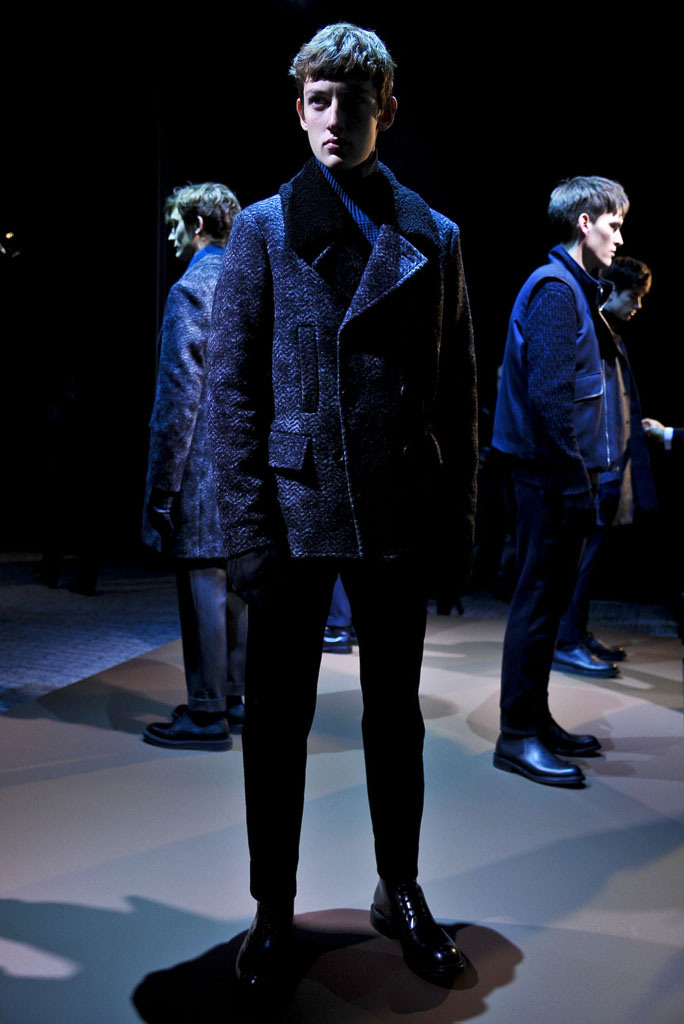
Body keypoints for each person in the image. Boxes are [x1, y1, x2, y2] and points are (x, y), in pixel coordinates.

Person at [206, 22, 477, 988]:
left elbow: (458, 394)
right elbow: (231, 391)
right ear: (298, 108)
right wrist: (248, 532)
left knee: (395, 716)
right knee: (276, 721)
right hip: (294, 509)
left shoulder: (434, 234)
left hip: (397, 506)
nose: (333, 118)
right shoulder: (263, 229)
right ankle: (272, 906)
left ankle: (397, 887)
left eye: (352, 101)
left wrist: (457, 526)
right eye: (317, 100)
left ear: (386, 111)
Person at [492, 175, 629, 787]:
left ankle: (534, 721)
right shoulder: (555, 289)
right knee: (537, 602)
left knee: (547, 605)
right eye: (614, 224)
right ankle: (516, 735)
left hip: (556, 475)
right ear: (584, 221)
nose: (619, 238)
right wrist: (574, 480)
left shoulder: (571, 288)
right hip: (547, 477)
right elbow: (550, 400)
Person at [142, 182, 247, 752]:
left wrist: (161, 491)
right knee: (238, 587)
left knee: (204, 583)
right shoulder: (253, 281)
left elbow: (177, 402)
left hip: (202, 470)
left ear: (198, 225)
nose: (170, 234)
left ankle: (206, 714)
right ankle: (233, 697)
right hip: (249, 469)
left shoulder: (190, 290)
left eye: (176, 223)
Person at [553, 257, 657, 675]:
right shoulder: (593, 333)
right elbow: (590, 408)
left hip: (611, 467)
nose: (638, 306)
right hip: (597, 468)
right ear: (611, 291)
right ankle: (567, 640)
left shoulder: (609, 334)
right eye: (634, 296)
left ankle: (576, 633)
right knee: (580, 560)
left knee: (590, 559)